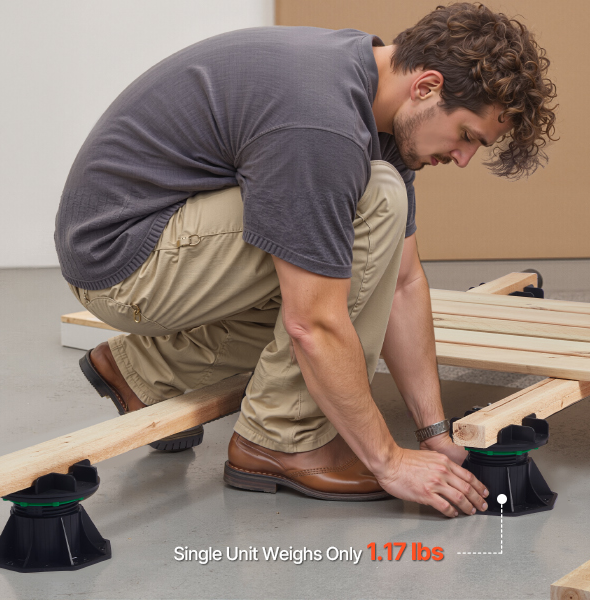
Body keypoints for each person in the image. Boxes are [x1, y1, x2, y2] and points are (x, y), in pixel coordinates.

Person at [54, 3, 557, 517]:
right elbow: (312, 324)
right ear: (427, 87)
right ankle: (282, 440)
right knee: (372, 210)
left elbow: (403, 283)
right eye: (467, 135)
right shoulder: (323, 124)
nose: (464, 158)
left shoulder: (374, 103)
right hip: (125, 260)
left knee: (351, 256)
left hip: (162, 239)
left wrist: (435, 434)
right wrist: (387, 460)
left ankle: (146, 371)